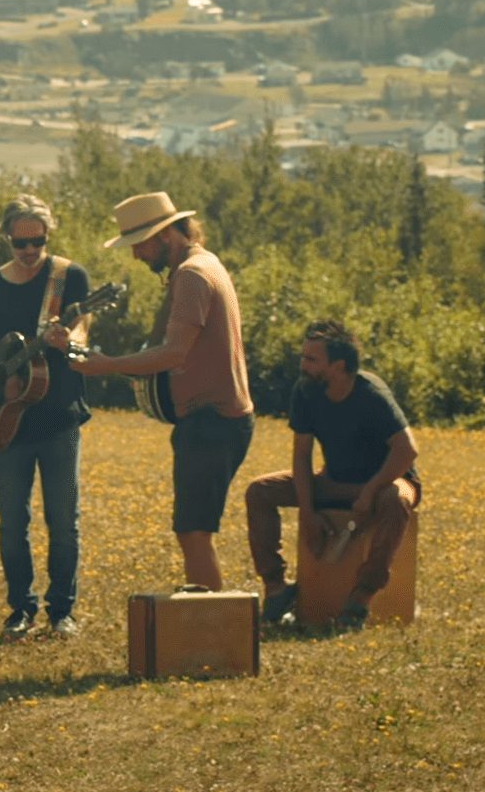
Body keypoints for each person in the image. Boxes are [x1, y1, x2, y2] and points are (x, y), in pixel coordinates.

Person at [72, 192, 253, 592]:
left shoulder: (191, 276)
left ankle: (213, 621)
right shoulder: (201, 264)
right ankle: (211, 615)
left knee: (194, 532)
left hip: (212, 422)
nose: (136, 254)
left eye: (140, 244)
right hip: (214, 421)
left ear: (166, 235)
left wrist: (108, 365)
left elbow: (173, 353)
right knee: (193, 530)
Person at [0, 195, 93, 639]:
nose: (30, 251)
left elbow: (84, 329)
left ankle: (62, 611)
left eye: (38, 242)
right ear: (6, 238)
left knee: (64, 522)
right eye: (20, 243)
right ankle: (20, 609)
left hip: (60, 417)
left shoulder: (68, 277)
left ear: (49, 235)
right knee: (12, 523)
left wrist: (70, 341)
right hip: (5, 423)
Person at [243, 320, 422, 631]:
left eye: (311, 359)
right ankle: (276, 588)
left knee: (396, 499)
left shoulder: (371, 394)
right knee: (260, 491)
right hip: (336, 481)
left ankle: (361, 599)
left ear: (338, 366)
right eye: (303, 356)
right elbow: (302, 456)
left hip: (388, 481)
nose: (303, 365)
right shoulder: (305, 391)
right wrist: (308, 511)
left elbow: (406, 450)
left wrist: (370, 491)